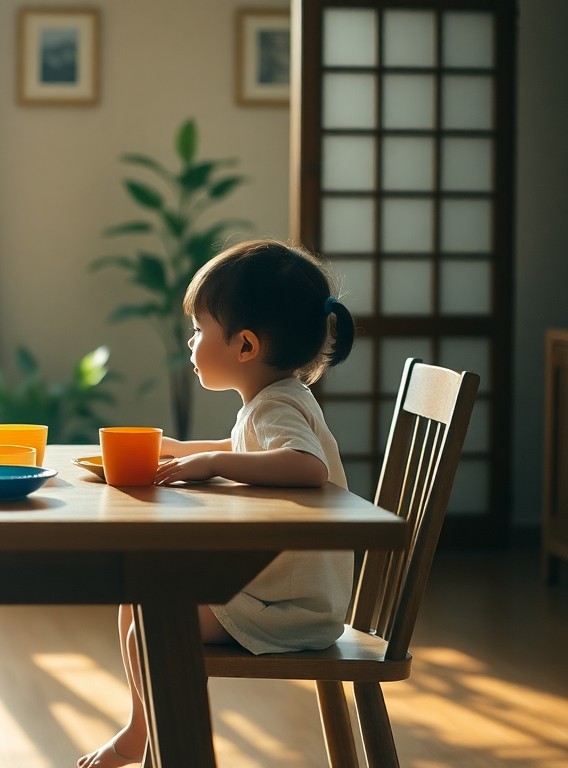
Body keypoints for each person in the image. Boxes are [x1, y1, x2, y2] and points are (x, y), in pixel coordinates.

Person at [77, 238, 357, 768]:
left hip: (291, 612)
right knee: (141, 600)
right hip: (286, 597)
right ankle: (144, 729)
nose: (190, 341)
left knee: (151, 622)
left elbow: (303, 465)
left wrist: (208, 465)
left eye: (200, 329)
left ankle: (156, 738)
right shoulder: (274, 399)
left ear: (245, 346)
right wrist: (191, 450)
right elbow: (251, 450)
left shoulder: (276, 405)